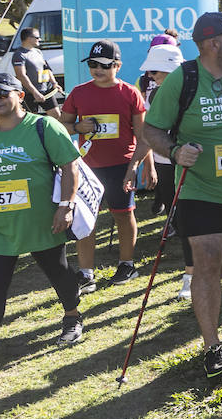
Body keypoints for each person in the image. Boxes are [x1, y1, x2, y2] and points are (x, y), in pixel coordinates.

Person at [143, 12, 222, 380]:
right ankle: (213, 346)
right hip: (199, 188)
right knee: (208, 260)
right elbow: (152, 128)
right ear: (214, 44)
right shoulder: (184, 78)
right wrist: (176, 151)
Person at [0, 73, 84, 378]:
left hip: (41, 222)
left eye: (0, 93)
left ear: (19, 93)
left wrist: (65, 206)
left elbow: (70, 166)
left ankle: (72, 315)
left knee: (60, 273)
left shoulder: (43, 127)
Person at [59, 40, 153, 291]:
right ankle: (86, 273)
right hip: (87, 168)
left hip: (121, 165)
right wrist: (78, 128)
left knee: (123, 214)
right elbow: (62, 126)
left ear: (118, 66)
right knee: (85, 220)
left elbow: (143, 137)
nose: (97, 69)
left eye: (104, 65)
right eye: (92, 64)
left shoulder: (130, 93)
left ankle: (127, 264)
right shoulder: (79, 92)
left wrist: (136, 167)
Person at [137, 40, 194, 301]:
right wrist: (139, 164)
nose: (150, 76)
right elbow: (149, 132)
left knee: (191, 218)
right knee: (181, 219)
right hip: (166, 164)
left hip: (191, 163)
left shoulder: (192, 88)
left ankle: (191, 275)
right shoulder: (154, 93)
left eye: (155, 71)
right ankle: (191, 273)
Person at [10, 28, 61, 119]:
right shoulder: (19, 54)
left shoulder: (38, 52)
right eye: (37, 37)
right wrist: (35, 93)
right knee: (32, 120)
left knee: (57, 115)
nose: (39, 39)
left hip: (45, 90)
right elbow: (21, 75)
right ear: (28, 38)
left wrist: (54, 83)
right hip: (29, 94)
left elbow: (47, 68)